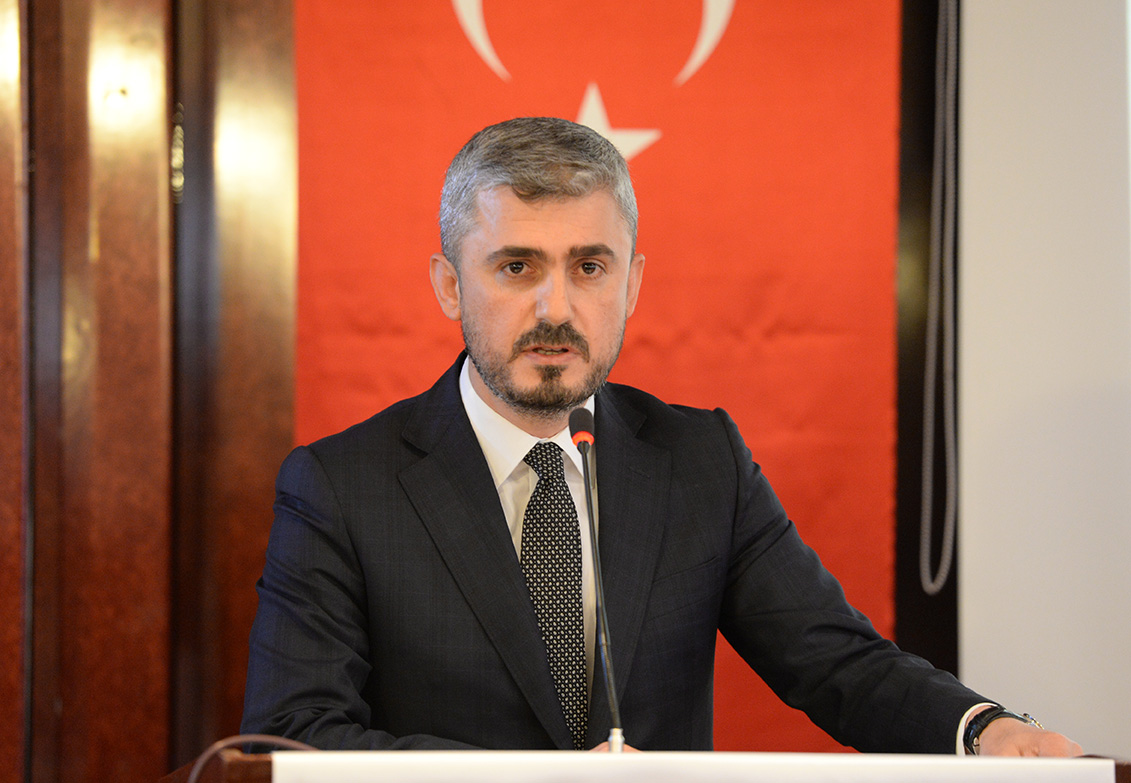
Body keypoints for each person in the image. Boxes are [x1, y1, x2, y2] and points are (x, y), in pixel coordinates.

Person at [241, 117, 1081, 756]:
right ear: (448, 285)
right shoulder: (340, 486)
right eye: (516, 266)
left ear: (632, 284)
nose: (555, 309)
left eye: (589, 266)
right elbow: (296, 731)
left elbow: (837, 663)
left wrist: (984, 729)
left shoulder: (699, 461)